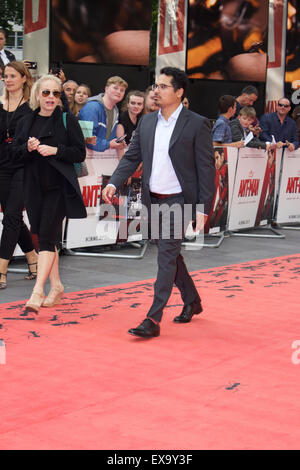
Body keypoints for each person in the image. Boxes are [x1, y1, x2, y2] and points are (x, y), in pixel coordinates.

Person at [102, 67, 216, 338]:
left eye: (163, 86)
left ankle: (153, 319)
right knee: (171, 254)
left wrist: (202, 208)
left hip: (180, 200)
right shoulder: (148, 122)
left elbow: (206, 169)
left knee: (165, 257)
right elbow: (132, 157)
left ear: (179, 92)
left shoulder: (196, 123)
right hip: (154, 199)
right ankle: (192, 300)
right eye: (155, 85)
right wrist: (113, 182)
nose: (156, 90)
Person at [13, 74, 87, 313]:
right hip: (33, 186)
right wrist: (27, 147)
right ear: (37, 94)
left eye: (56, 94)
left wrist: (55, 150)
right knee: (46, 237)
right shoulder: (26, 121)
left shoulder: (67, 120)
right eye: (46, 93)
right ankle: (56, 286)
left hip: (59, 187)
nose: (51, 98)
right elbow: (14, 153)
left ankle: (37, 291)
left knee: (45, 237)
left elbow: (79, 153)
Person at [0, 61, 38, 289]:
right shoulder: (0, 104)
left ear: (24, 78)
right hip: (2, 166)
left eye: (13, 75)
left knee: (12, 217)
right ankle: (32, 258)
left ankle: (1, 271)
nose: (8, 79)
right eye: (6, 75)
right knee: (12, 217)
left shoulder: (32, 107)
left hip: (24, 166)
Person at [78, 76, 128, 153]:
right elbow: (88, 139)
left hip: (103, 158)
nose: (118, 92)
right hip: (86, 158)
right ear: (106, 88)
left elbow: (109, 137)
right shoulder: (92, 107)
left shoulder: (115, 110)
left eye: (122, 90)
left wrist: (118, 143)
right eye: (115, 88)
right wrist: (108, 144)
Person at [116, 90, 144, 162]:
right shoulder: (122, 118)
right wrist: (122, 167)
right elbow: (119, 146)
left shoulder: (141, 119)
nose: (136, 106)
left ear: (143, 106)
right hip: (120, 158)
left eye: (139, 104)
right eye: (133, 103)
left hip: (134, 157)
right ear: (127, 104)